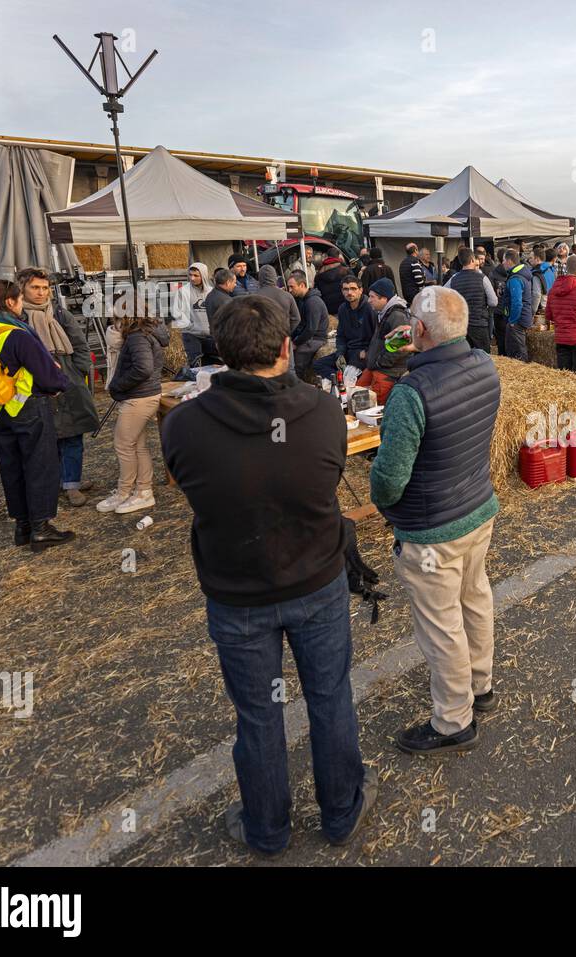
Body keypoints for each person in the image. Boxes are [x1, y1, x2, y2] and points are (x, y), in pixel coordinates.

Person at [161, 295, 378, 857]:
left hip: (237, 591)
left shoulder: (184, 425)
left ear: (221, 354)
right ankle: (341, 810)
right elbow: (325, 479)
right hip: (316, 579)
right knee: (329, 697)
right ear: (287, 347)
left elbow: (189, 485)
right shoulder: (325, 412)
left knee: (258, 715)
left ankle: (267, 828)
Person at [370, 286, 501, 755]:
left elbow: (388, 480)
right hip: (477, 509)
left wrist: (384, 504)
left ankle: (452, 721)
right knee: (475, 598)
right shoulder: (486, 365)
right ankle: (481, 685)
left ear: (418, 330)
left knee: (442, 623)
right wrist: (425, 349)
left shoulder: (411, 393)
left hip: (432, 529)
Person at [0, 279, 74, 548]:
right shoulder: (16, 334)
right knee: (40, 465)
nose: (22, 305)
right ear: (10, 302)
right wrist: (60, 385)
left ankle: (22, 526)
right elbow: (48, 375)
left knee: (10, 467)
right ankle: (41, 527)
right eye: (20, 299)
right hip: (26, 407)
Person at [16, 268, 98, 508]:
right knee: (47, 439)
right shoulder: (17, 319)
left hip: (67, 382)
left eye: (45, 288)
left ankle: (72, 484)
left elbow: (80, 345)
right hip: (36, 387)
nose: (41, 293)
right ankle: (56, 482)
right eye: (35, 288)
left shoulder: (60, 314)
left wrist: (76, 372)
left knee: (73, 436)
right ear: (23, 289)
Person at [96, 311, 169, 515]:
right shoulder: (144, 334)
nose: (114, 321)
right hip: (143, 395)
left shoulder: (137, 337)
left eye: (117, 317)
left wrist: (118, 384)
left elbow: (143, 368)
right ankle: (141, 489)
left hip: (139, 397)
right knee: (137, 445)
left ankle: (128, 491)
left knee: (124, 444)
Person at [315, 273, 375, 382]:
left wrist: (367, 351)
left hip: (362, 354)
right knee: (319, 364)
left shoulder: (369, 308)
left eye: (353, 288)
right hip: (348, 351)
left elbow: (377, 335)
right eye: (346, 289)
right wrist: (340, 354)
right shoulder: (342, 309)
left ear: (360, 290)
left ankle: (344, 382)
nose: (349, 292)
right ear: (342, 291)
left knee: (350, 375)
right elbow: (341, 336)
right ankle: (340, 382)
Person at [363, 278, 412, 403]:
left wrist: (380, 363)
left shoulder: (397, 316)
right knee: (358, 393)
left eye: (372, 297)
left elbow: (400, 347)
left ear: (384, 298)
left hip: (388, 372)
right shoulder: (383, 313)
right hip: (376, 367)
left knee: (374, 405)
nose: (369, 300)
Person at [445, 246, 498, 354]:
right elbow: (493, 301)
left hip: (461, 325)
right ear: (473, 260)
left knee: (463, 356)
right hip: (479, 323)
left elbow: (443, 295)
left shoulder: (453, 278)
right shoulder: (482, 278)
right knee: (483, 356)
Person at [287, 269, 329, 383]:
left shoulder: (312, 302)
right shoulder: (304, 300)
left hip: (317, 338)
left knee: (296, 362)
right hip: (312, 337)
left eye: (292, 287)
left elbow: (311, 329)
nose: (289, 290)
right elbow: (302, 324)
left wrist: (295, 343)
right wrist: (291, 336)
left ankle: (296, 386)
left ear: (302, 285)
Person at [500, 248, 534, 360]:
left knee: (517, 350)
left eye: (504, 260)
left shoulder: (515, 279)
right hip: (523, 317)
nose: (502, 263)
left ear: (509, 261)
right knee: (517, 347)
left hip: (517, 320)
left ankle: (524, 371)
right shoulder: (521, 275)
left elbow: (517, 303)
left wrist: (512, 321)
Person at [254, 264, 300, 337]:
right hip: (282, 338)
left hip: (261, 339)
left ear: (260, 278)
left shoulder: (253, 297)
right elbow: (296, 319)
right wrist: (288, 334)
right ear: (275, 277)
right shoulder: (287, 296)